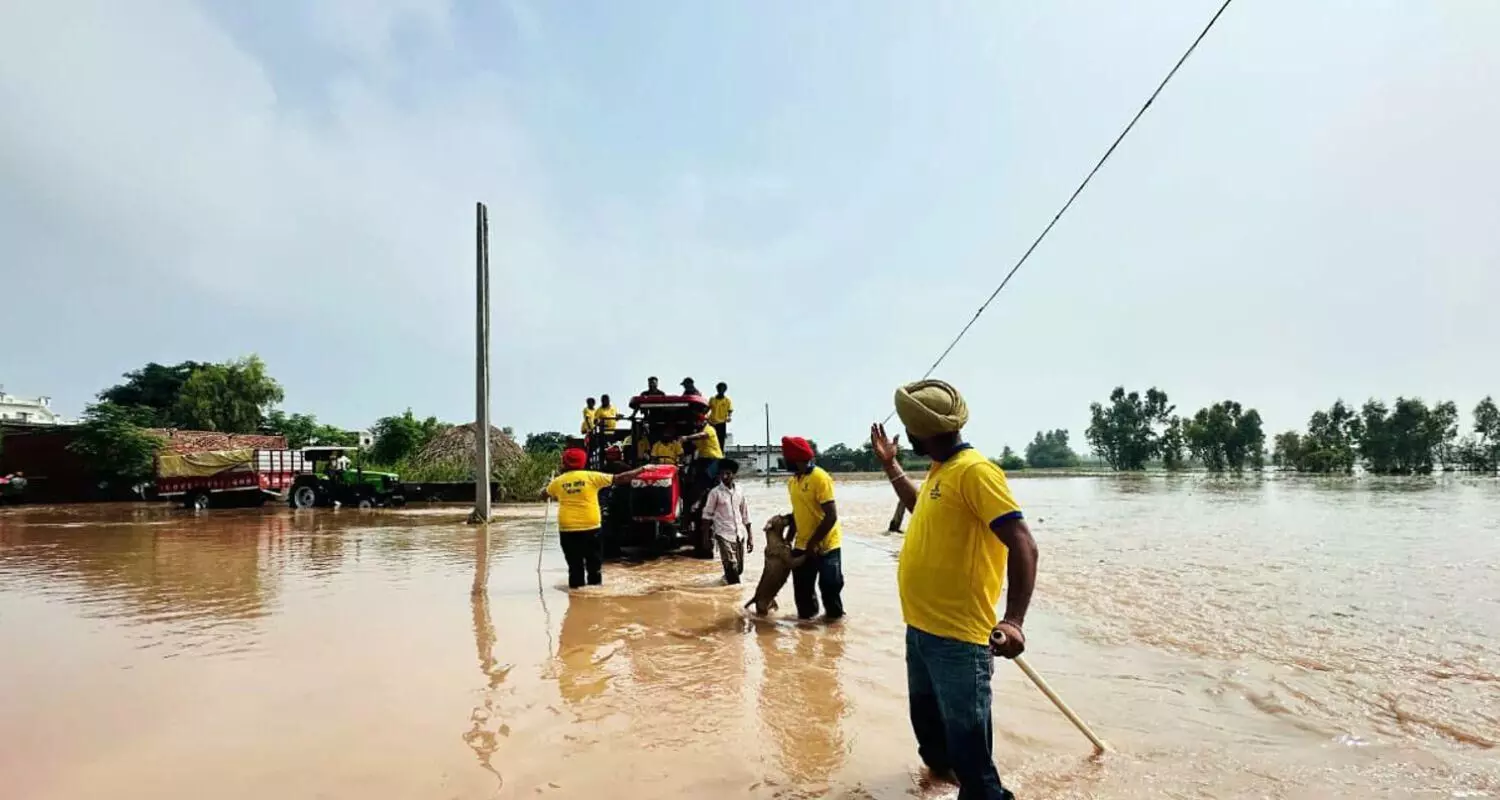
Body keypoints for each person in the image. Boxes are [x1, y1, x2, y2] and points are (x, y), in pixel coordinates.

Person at [870, 380, 1038, 800]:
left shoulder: (976, 471)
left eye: (909, 428)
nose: (906, 435)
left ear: (920, 431)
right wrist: (891, 466)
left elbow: (1023, 544)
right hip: (921, 630)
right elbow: (921, 507)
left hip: (959, 640)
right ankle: (940, 783)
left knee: (972, 759)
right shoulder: (941, 469)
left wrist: (1014, 621)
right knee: (931, 737)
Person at [542, 448, 644, 588]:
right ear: (583, 462)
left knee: (575, 568)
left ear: (564, 463)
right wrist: (642, 469)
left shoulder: (558, 481)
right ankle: (595, 595)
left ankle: (576, 597)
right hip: (591, 527)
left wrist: (549, 485)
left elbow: (544, 495)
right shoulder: (592, 477)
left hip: (567, 528)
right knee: (594, 566)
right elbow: (620, 478)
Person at [781, 435, 844, 621]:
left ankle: (835, 630)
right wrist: (788, 539)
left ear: (796, 459)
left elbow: (831, 515)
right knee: (803, 595)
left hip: (826, 545)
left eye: (786, 458)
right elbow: (798, 512)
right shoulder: (793, 482)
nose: (784, 461)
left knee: (830, 589)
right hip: (802, 544)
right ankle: (806, 631)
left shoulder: (820, 478)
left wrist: (814, 543)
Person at [700, 459, 753, 584]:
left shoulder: (739, 491)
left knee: (739, 570)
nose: (724, 476)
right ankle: (735, 592)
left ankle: (725, 583)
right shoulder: (715, 493)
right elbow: (706, 516)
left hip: (739, 534)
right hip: (723, 534)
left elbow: (745, 514)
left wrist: (750, 537)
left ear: (734, 475)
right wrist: (706, 539)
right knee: (731, 565)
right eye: (722, 474)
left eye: (728, 474)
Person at [708, 382, 733, 447]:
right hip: (712, 423)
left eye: (722, 389)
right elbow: (707, 409)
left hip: (721, 423)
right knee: (711, 440)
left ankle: (720, 453)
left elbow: (730, 410)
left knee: (720, 441)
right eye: (719, 389)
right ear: (717, 389)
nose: (721, 390)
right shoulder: (712, 399)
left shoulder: (727, 400)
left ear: (725, 390)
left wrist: (729, 417)